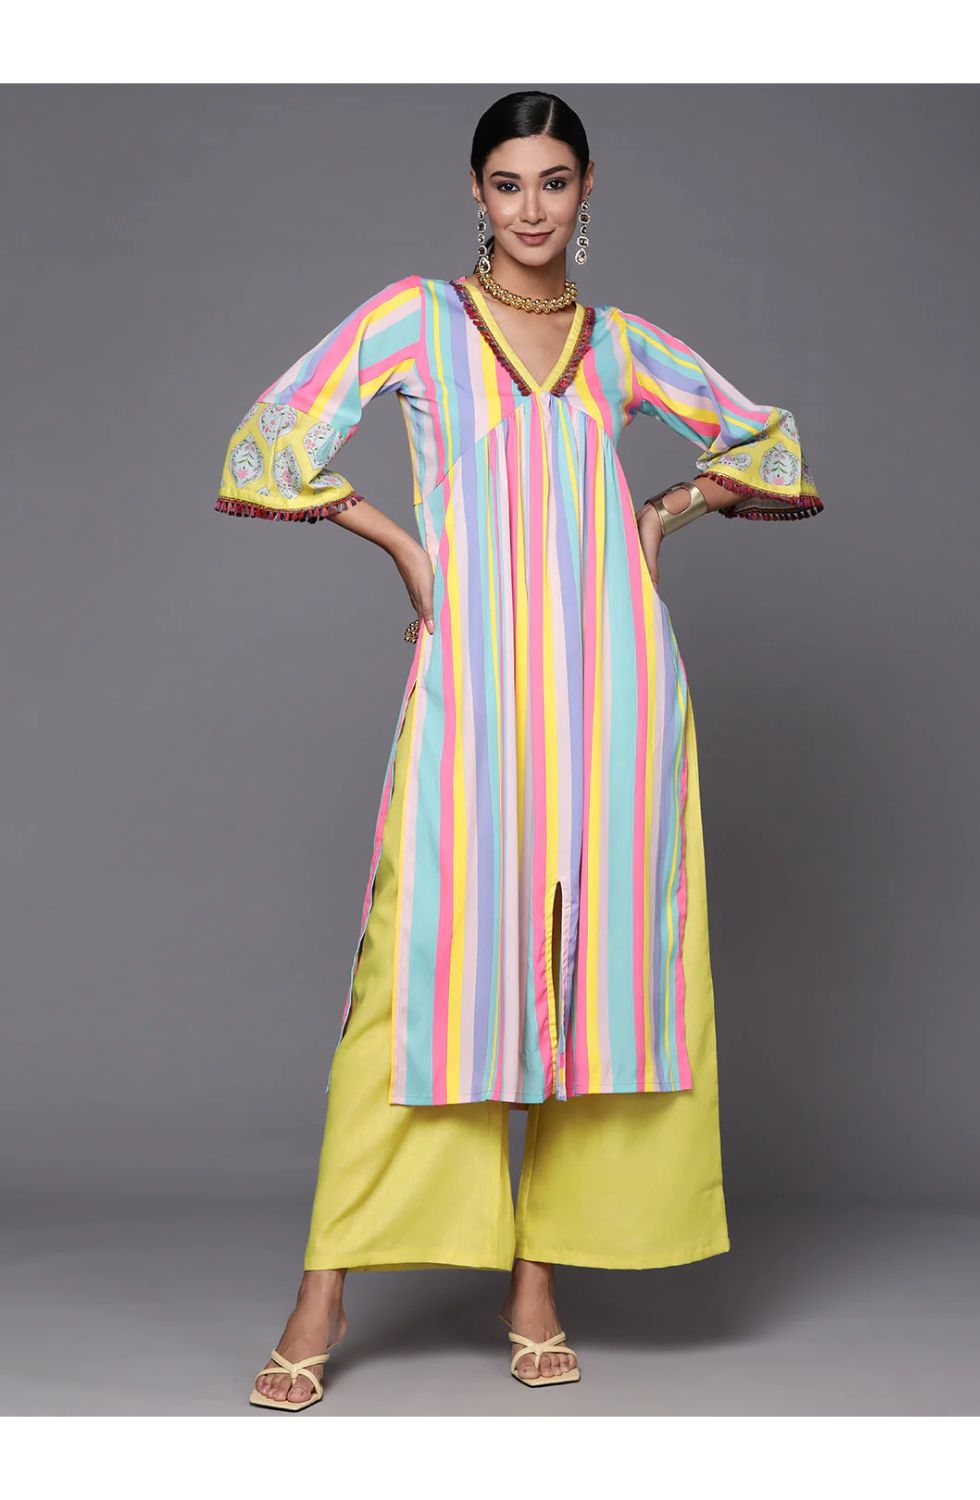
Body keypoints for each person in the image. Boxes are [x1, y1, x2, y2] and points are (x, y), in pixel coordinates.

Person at [214, 90, 824, 1408]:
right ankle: (326, 1286)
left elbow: (766, 442)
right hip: (476, 694)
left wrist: (665, 509)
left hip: (615, 700)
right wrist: (402, 544)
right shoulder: (417, 319)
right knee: (418, 975)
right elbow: (274, 439)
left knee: (587, 979)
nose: (532, 207)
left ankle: (537, 1280)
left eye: (554, 181)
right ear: (477, 195)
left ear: (587, 190)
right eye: (508, 183)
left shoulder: (621, 348)